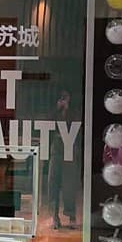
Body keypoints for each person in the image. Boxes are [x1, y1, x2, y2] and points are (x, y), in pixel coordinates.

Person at [47, 89, 79, 229]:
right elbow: (47, 124)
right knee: (53, 183)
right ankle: (54, 216)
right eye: (61, 98)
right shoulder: (54, 112)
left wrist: (67, 110)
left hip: (70, 149)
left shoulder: (74, 111)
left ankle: (71, 216)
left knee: (69, 184)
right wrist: (57, 109)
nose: (63, 100)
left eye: (66, 98)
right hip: (56, 149)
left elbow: (78, 126)